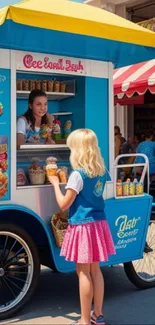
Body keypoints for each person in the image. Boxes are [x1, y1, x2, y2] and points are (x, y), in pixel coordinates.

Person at [48, 129, 115, 325]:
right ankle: (98, 316)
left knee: (83, 272)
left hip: (83, 226)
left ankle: (84, 320)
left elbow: (63, 204)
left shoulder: (77, 174)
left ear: (77, 150)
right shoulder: (102, 171)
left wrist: (54, 184)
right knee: (96, 271)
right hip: (98, 224)